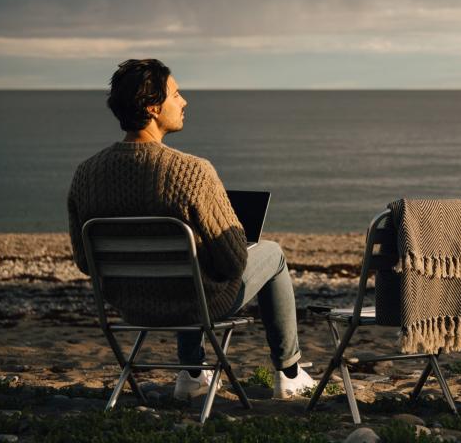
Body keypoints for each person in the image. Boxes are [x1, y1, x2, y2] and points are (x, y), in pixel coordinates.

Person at [67, 59, 314, 401]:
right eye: (176, 94)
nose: (184, 102)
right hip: (196, 303)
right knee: (271, 253)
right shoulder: (192, 172)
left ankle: (193, 373)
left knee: (191, 259)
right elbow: (232, 263)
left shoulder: (85, 175)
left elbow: (84, 260)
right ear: (153, 107)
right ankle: (289, 372)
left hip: (129, 304)